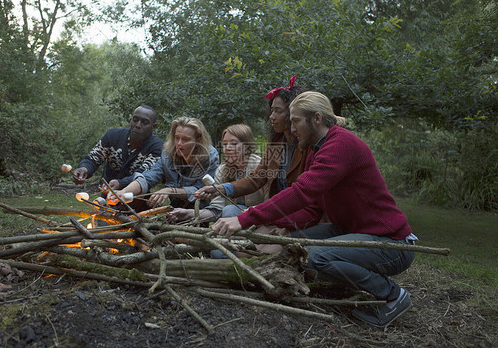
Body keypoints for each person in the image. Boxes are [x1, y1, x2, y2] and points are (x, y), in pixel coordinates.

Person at [212, 91, 417, 328]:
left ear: (316, 119)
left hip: (391, 243)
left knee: (314, 256)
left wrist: (246, 218)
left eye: (296, 120)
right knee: (293, 247)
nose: (291, 127)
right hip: (347, 230)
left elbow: (302, 192)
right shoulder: (316, 150)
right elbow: (312, 208)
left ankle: (393, 295)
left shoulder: (341, 144)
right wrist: (279, 226)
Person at [195, 76, 323, 234]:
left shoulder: (309, 146)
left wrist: (257, 214)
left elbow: (302, 194)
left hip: (297, 216)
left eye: (278, 111)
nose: (272, 117)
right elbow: (258, 177)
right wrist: (222, 189)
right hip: (276, 213)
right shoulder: (277, 142)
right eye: (272, 111)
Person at [165, 124, 267, 223]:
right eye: (225, 144)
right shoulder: (222, 170)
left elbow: (271, 201)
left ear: (247, 146)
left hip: (263, 216)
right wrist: (188, 214)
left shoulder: (259, 166)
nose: (228, 148)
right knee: (229, 210)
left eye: (234, 143)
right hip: (237, 217)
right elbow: (216, 210)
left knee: (230, 210)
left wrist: (251, 211)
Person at [111, 116, 219, 210]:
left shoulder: (209, 157)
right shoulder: (168, 154)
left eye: (185, 139)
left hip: (199, 210)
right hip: (174, 208)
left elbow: (199, 190)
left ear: (198, 140)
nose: (179, 144)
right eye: (177, 138)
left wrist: (169, 190)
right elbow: (148, 177)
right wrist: (124, 192)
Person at [72, 105, 163, 191]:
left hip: (135, 199)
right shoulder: (112, 136)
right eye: (135, 120)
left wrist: (120, 183)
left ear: (153, 127)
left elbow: (144, 176)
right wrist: (84, 169)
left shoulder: (157, 147)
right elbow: (93, 158)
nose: (138, 125)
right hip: (106, 193)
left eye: (145, 122)